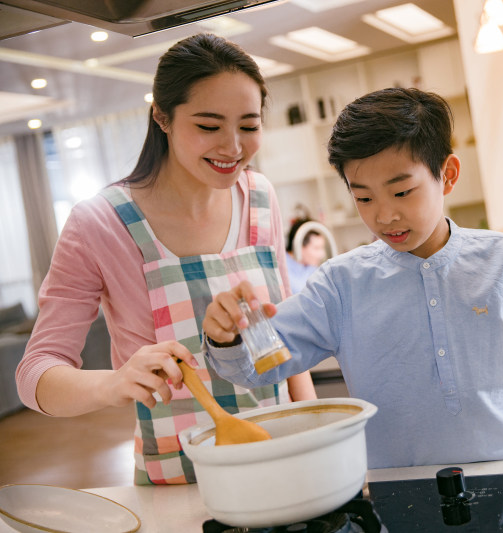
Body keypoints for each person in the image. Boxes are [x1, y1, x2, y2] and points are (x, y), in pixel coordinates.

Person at [202, 88, 503, 469]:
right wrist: (228, 337)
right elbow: (258, 366)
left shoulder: (502, 256)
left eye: (402, 192)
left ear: (448, 175)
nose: (384, 215)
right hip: (396, 486)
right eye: (363, 197)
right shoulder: (340, 283)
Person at [15, 33, 316, 485]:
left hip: (282, 455)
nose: (233, 147)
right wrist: (115, 382)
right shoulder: (99, 222)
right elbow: (35, 375)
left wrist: (314, 429)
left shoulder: (259, 195)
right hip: (180, 477)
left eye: (249, 126)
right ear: (162, 117)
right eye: (209, 126)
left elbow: (283, 338)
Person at [285, 217, 327, 294]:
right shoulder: (282, 268)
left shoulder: (312, 268)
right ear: (298, 245)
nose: (322, 255)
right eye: (317, 248)